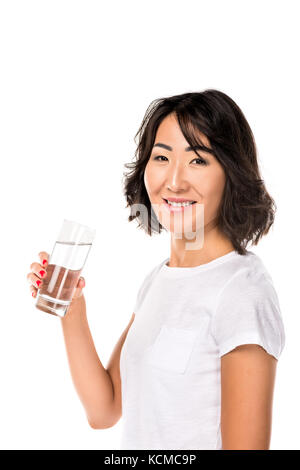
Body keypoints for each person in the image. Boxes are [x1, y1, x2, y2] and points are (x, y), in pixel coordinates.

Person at [27, 89, 285, 450]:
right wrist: (71, 308)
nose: (175, 181)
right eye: (161, 157)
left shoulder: (242, 291)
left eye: (198, 160)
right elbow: (105, 410)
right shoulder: (158, 279)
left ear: (232, 173)